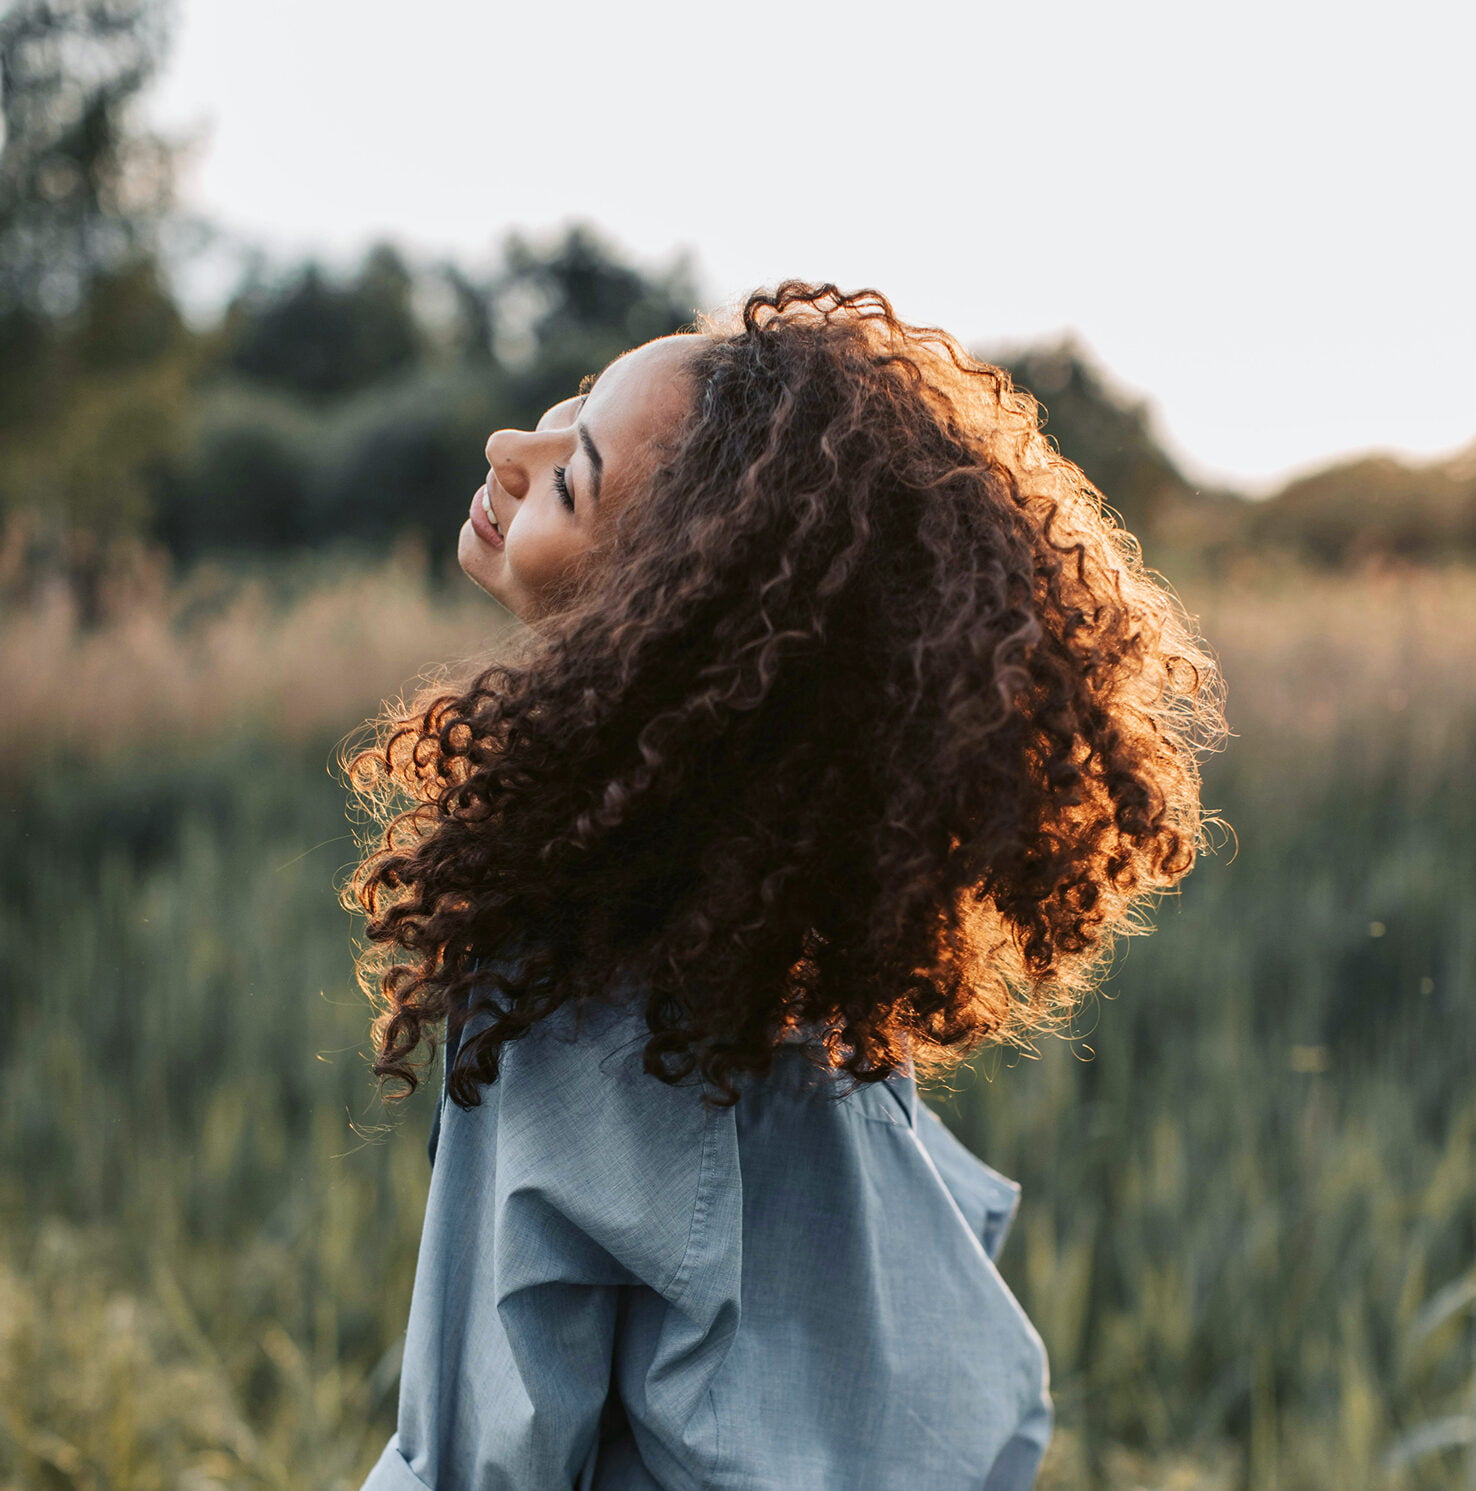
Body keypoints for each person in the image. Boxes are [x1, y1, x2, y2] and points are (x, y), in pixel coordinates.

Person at [346, 282, 1226, 1489]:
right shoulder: (784, 938)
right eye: (572, 407)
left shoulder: (574, 954)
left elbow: (480, 1454)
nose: (512, 446)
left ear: (661, 614)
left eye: (572, 479)